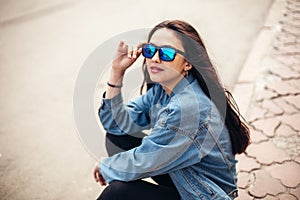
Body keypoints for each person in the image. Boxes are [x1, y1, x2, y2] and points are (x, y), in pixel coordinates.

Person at [93, 20, 250, 200]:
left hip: (205, 193)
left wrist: (108, 167)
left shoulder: (188, 108)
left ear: (187, 64)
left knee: (118, 193)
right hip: (185, 177)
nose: (155, 58)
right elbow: (115, 125)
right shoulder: (163, 89)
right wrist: (116, 72)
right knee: (117, 138)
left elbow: (148, 158)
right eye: (150, 50)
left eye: (167, 53)